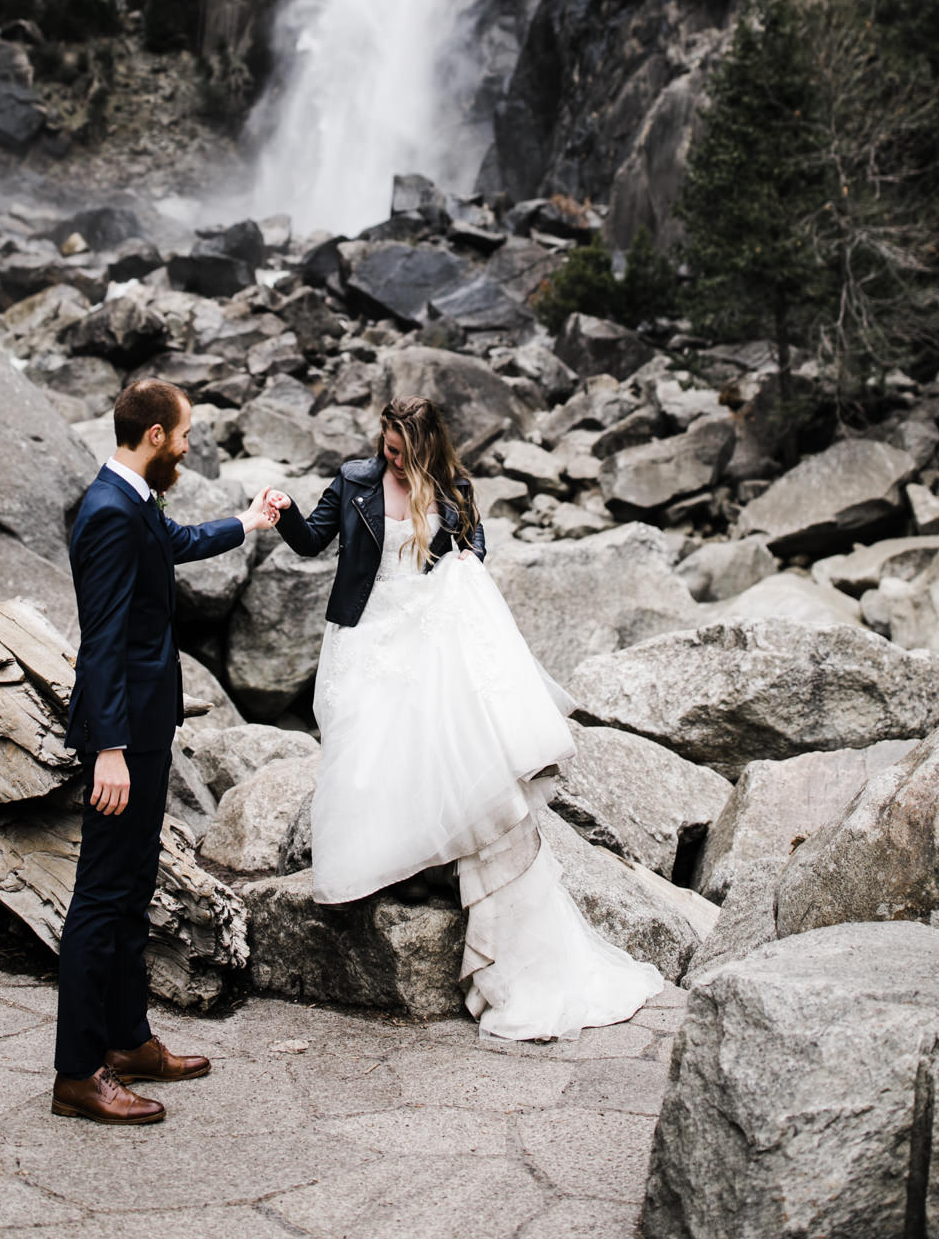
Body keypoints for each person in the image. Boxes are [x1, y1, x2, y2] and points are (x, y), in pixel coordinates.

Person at [273, 394, 665, 1041]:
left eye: (400, 451)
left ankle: (425, 859)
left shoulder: (453, 487)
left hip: (425, 632)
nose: (389, 458)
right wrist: (282, 513)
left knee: (421, 745)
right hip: (363, 633)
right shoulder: (353, 481)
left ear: (425, 446)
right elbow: (313, 541)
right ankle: (374, 863)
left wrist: (464, 558)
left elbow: (473, 539)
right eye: (385, 447)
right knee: (358, 743)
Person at [52, 377, 284, 1123]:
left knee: (130, 892)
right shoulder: (110, 514)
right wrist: (109, 749)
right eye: (183, 435)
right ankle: (77, 1074)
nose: (187, 447)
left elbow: (176, 544)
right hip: (124, 738)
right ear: (154, 435)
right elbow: (102, 642)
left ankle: (127, 1041)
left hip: (148, 729)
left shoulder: (132, 500)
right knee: (100, 901)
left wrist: (246, 523)